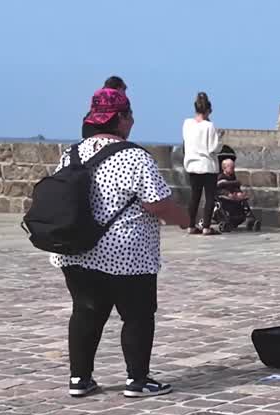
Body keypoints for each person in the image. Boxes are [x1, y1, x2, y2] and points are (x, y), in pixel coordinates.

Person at [51, 87, 189, 398]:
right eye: (130, 115)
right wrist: (184, 218)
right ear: (122, 119)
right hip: (126, 253)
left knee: (85, 312)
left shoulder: (72, 154)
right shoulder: (134, 156)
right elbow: (157, 203)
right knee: (137, 315)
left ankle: (79, 379)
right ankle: (137, 380)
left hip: (78, 249)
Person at [182, 92, 222, 235]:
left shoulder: (187, 123)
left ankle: (191, 225)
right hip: (207, 165)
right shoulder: (209, 126)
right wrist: (219, 137)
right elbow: (213, 148)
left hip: (192, 164)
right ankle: (206, 226)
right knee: (209, 197)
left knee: (195, 196)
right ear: (208, 110)